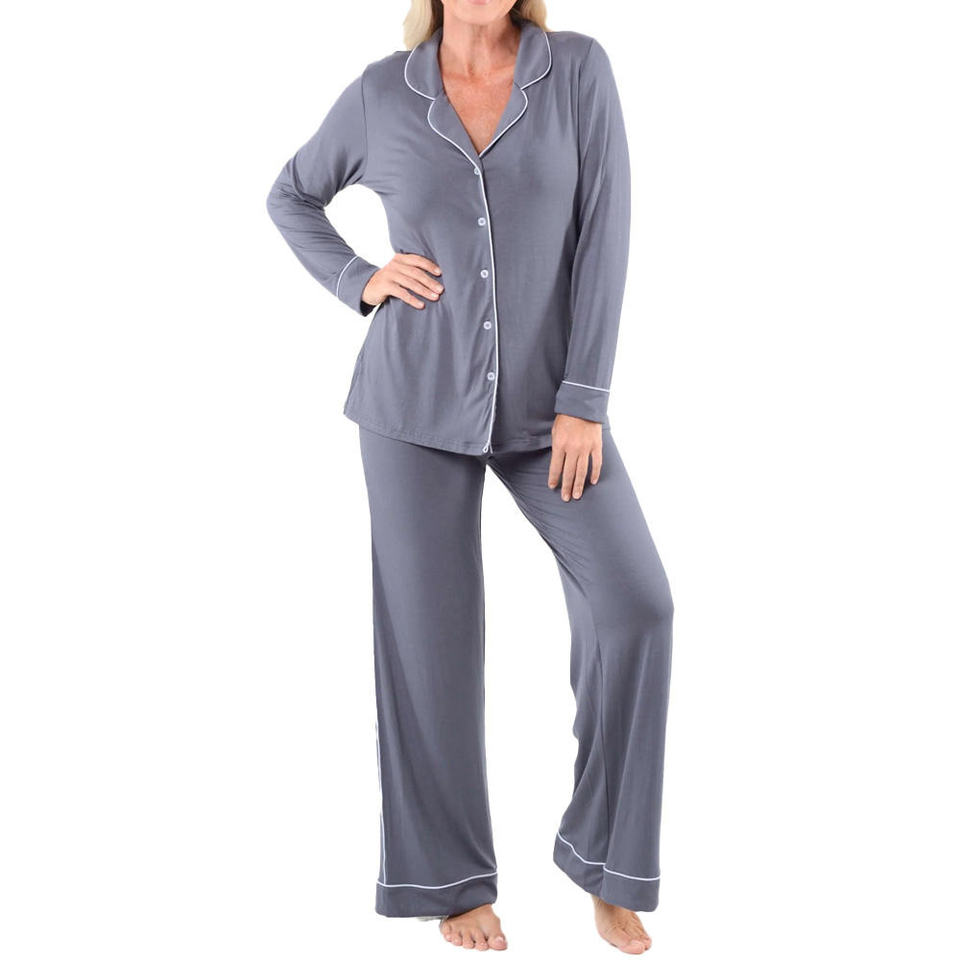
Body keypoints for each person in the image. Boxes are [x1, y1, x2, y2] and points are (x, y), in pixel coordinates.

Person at [266, 0, 673, 953]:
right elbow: (291, 195)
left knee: (636, 605)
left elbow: (605, 231)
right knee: (431, 647)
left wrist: (585, 397)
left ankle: (605, 860)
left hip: (552, 415)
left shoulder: (576, 71)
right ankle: (447, 879)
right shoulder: (381, 93)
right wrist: (360, 279)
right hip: (412, 405)